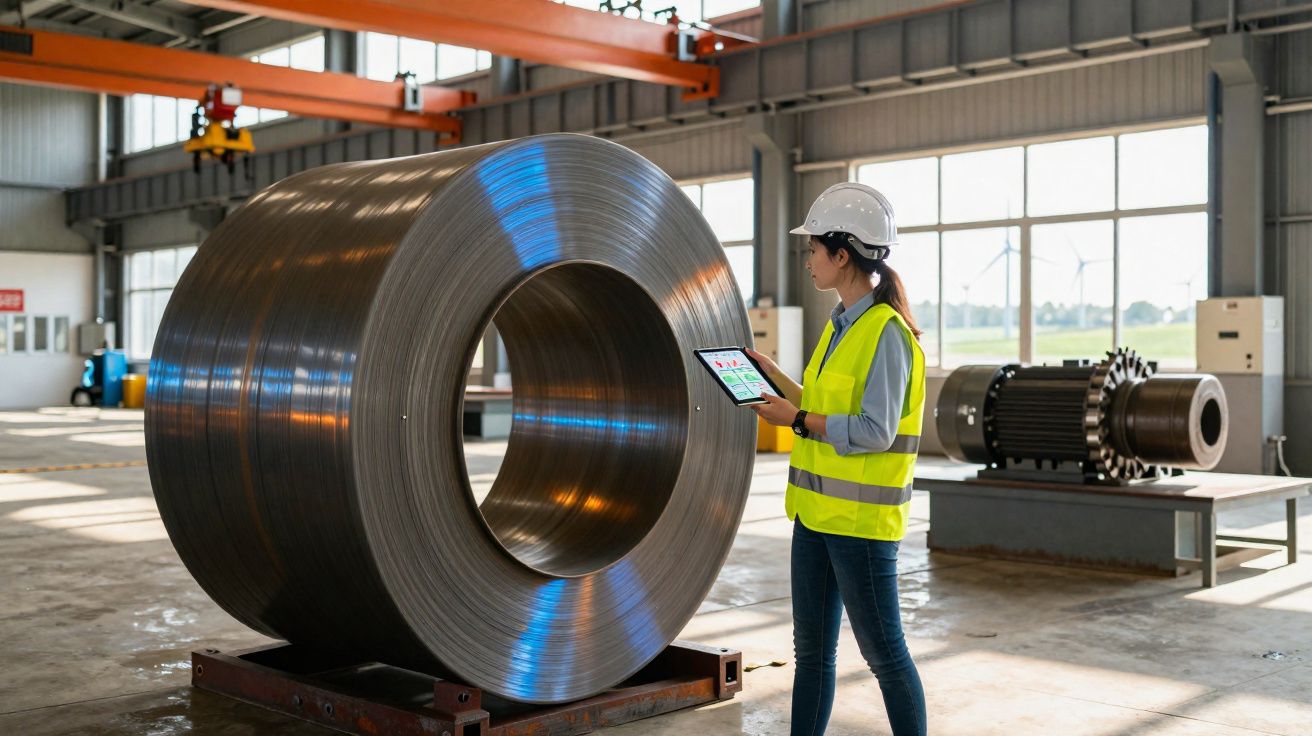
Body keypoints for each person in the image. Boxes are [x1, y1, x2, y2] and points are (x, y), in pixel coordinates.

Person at [746, 182, 928, 736]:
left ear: (842, 254)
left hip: (861, 528)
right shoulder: (840, 323)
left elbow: (873, 430)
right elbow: (823, 405)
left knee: (886, 658)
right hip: (815, 519)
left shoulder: (889, 334)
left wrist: (796, 422)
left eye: (813, 250)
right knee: (813, 657)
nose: (808, 261)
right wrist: (776, 377)